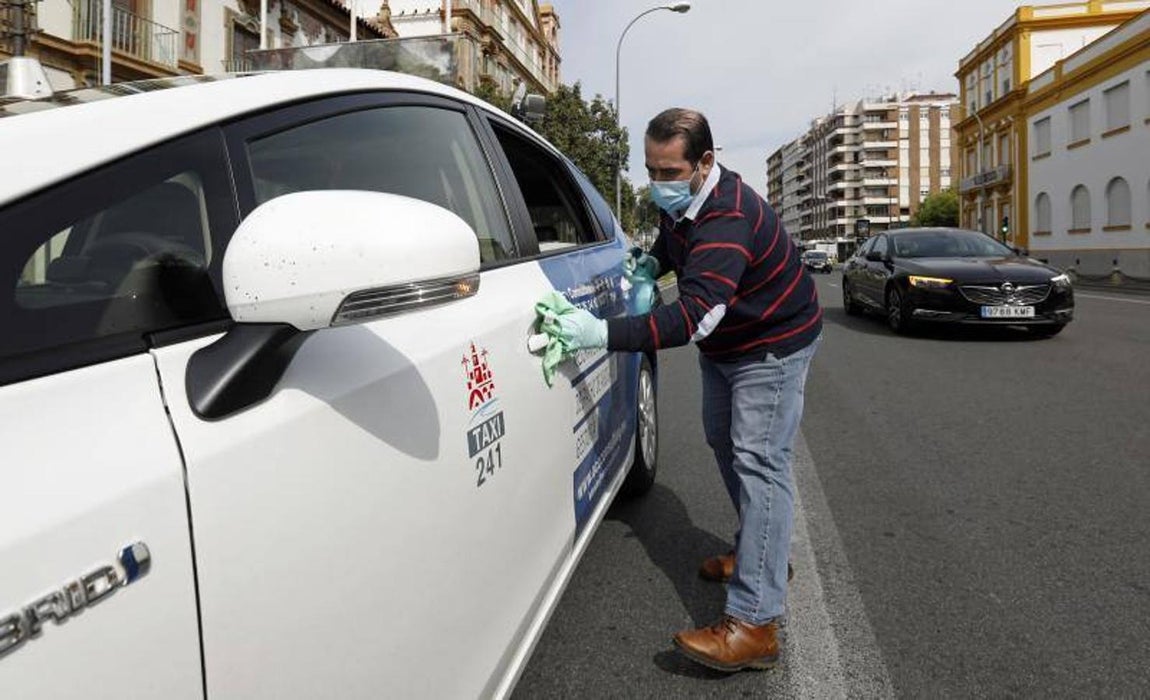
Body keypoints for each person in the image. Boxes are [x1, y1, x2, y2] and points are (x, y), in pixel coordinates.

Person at [546, 108, 822, 672]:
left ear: (704, 163)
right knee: (722, 441)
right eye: (650, 169)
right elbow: (676, 245)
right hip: (732, 346)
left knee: (759, 461)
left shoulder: (728, 218)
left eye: (669, 172)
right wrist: (652, 264)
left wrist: (600, 333)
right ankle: (760, 551)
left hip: (771, 345)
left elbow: (692, 318)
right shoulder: (683, 204)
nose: (657, 183)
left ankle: (754, 624)